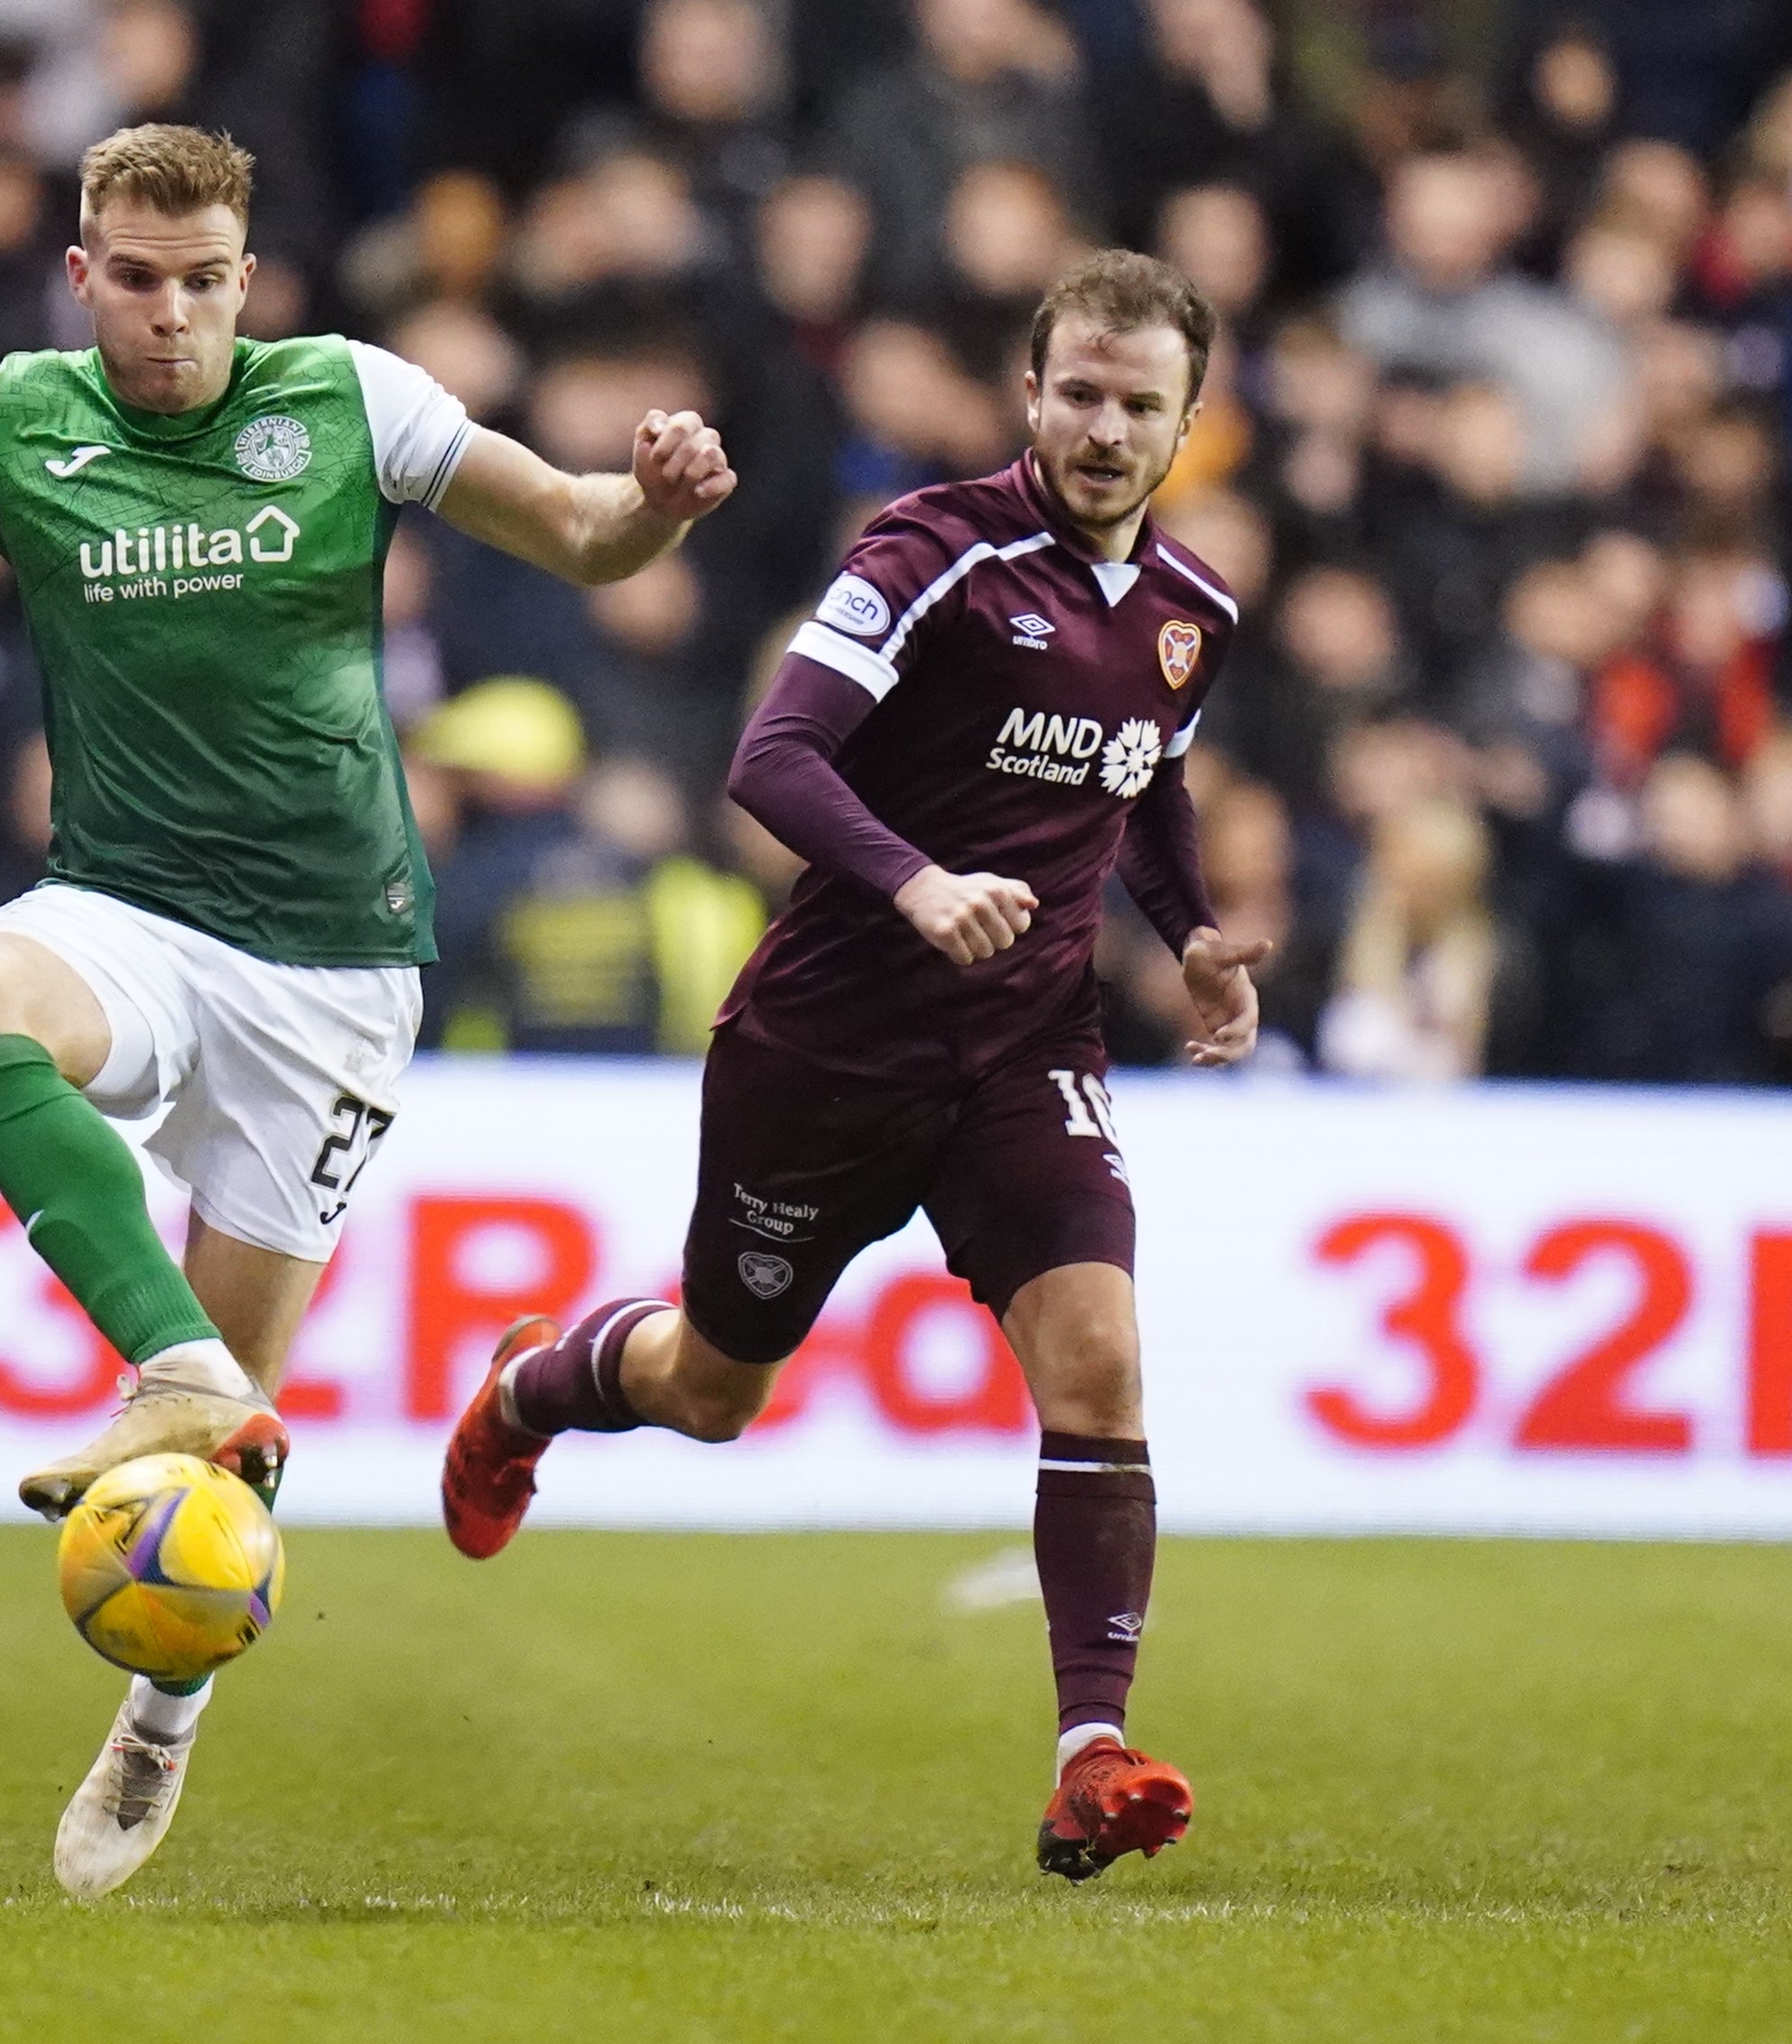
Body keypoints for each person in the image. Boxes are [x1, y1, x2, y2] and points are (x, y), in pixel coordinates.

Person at [0, 124, 734, 1895]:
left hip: (335, 963)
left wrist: (653, 499)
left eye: (202, 279)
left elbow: (586, 536)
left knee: (238, 1455)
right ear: (83, 275)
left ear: (245, 276)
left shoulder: (354, 398)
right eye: (134, 279)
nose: (169, 313)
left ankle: (158, 1718)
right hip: (128, 905)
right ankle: (174, 1365)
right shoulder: (7, 419)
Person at [437, 252, 1269, 1882]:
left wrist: (1191, 932)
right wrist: (917, 882)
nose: (1105, 429)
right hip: (827, 1047)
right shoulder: (932, 553)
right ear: (1032, 393)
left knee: (1098, 1362)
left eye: (1139, 405)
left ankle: (1089, 1755)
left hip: (1026, 1048)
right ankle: (533, 1387)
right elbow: (774, 755)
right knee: (710, 1388)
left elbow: (1141, 786)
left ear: (1187, 424)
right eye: (1080, 394)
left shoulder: (1195, 616)